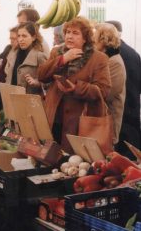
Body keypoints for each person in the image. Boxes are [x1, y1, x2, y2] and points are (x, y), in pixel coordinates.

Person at [37, 16, 111, 153]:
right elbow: (41, 75)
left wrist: (76, 88)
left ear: (85, 38)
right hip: (53, 118)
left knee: (73, 162)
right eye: (68, 32)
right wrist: (63, 59)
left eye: (75, 33)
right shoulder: (57, 52)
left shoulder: (98, 59)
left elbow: (103, 91)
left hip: (79, 122)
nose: (69, 36)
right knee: (51, 159)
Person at [106, 20, 141, 157]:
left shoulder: (112, 54)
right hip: (133, 112)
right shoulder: (134, 53)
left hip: (118, 112)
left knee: (119, 160)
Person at [94, 22, 126, 145]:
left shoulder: (114, 62)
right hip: (101, 119)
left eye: (95, 38)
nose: (93, 41)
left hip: (108, 120)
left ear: (104, 40)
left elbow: (108, 93)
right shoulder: (107, 59)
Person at [4, 21, 47, 94]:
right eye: (19, 36)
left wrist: (37, 83)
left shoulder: (39, 56)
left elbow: (48, 82)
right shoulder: (13, 54)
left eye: (24, 36)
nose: (20, 39)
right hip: (11, 100)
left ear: (33, 37)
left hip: (29, 102)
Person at [0, 26, 18, 110]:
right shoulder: (7, 49)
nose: (12, 41)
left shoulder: (21, 54)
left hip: (11, 91)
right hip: (0, 90)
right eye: (10, 38)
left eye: (14, 38)